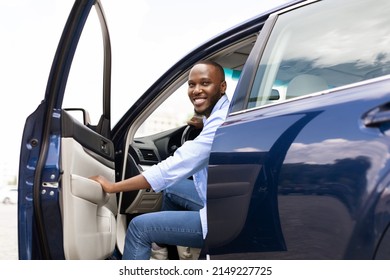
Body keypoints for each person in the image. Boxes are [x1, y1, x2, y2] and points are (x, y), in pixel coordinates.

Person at [91, 60, 229, 260]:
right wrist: (202, 122)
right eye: (192, 84)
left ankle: (153, 249)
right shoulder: (222, 113)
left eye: (205, 83)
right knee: (173, 189)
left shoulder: (219, 124)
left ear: (222, 86)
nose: (196, 90)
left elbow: (168, 170)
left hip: (223, 218)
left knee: (139, 228)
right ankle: (161, 249)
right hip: (224, 200)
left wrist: (112, 187)